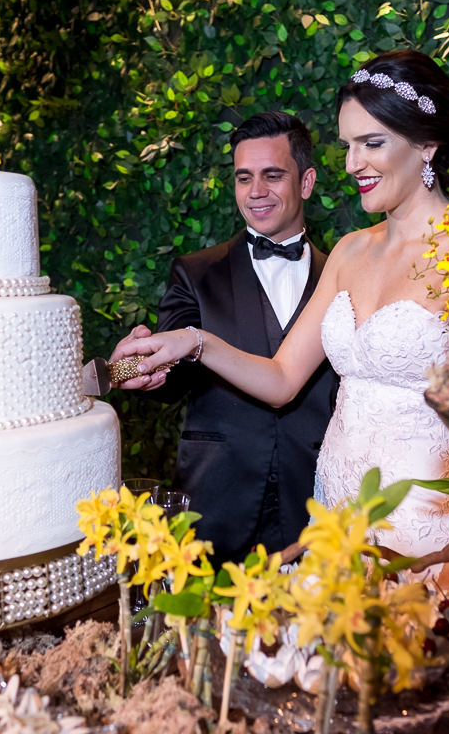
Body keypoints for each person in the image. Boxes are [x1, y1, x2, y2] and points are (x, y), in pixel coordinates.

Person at [114, 51, 449, 588]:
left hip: (426, 520)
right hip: (334, 514)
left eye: (371, 143)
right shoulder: (351, 252)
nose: (352, 164)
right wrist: (192, 341)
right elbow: (281, 380)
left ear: (426, 144)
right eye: (348, 145)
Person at [117, 112, 338, 564]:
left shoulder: (344, 274)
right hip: (218, 504)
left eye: (272, 176)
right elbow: (167, 372)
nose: (256, 191)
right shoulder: (197, 272)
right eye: (244, 178)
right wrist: (131, 366)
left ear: (306, 182)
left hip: (317, 499)